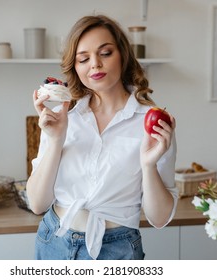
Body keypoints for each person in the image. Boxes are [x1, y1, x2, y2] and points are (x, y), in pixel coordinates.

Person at [26, 14, 178, 260]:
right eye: (83, 58)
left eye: (105, 53)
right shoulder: (63, 117)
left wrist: (148, 165)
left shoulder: (153, 123)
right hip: (54, 241)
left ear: (122, 56)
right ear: (75, 67)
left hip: (117, 249)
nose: (94, 64)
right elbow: (37, 203)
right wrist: (55, 140)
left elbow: (159, 219)